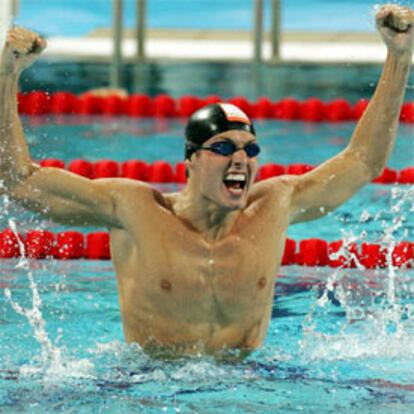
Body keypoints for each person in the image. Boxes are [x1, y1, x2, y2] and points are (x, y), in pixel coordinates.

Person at [0, 5, 413, 358]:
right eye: (223, 148)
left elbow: (363, 161)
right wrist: (7, 77)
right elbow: (19, 181)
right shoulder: (133, 209)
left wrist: (399, 57)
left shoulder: (275, 205)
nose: (240, 159)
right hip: (146, 386)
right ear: (190, 162)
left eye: (250, 150)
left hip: (252, 381)